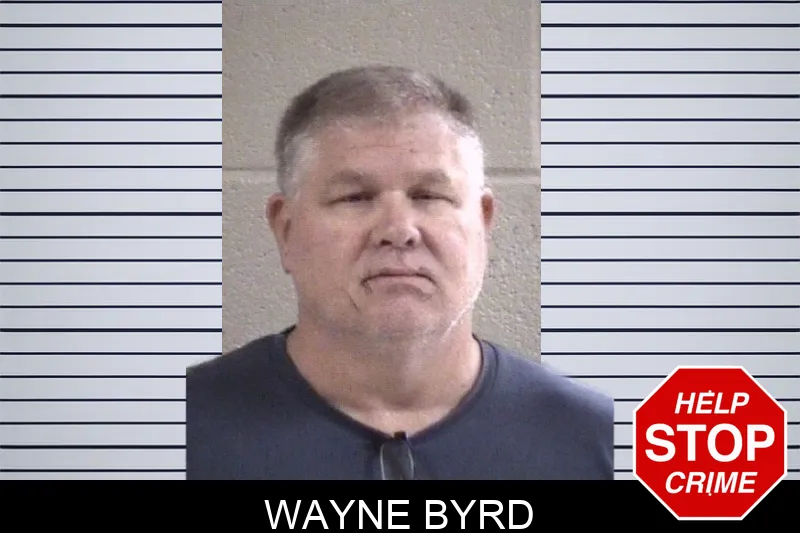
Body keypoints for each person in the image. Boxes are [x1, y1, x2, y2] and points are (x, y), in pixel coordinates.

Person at [186, 65, 614, 480]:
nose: (398, 230)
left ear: (483, 222)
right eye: (355, 197)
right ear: (287, 230)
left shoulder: (599, 443)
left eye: (429, 195)